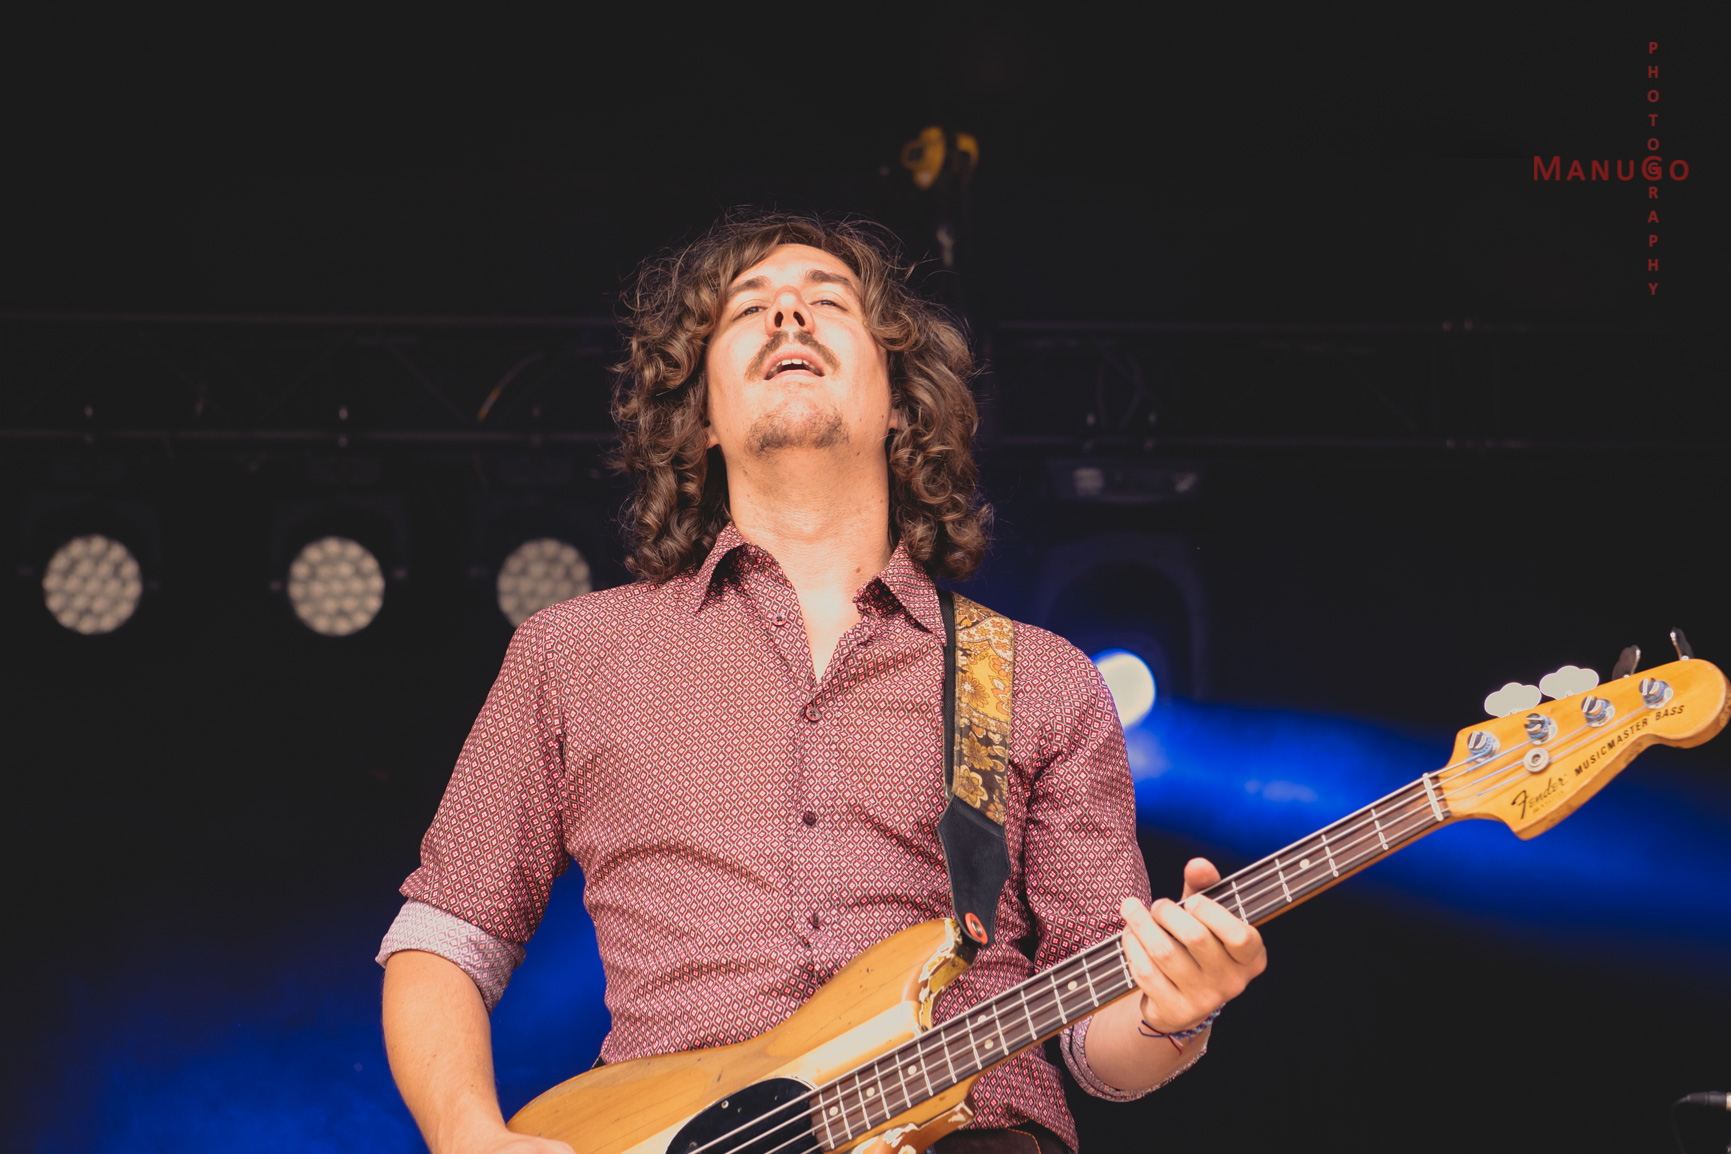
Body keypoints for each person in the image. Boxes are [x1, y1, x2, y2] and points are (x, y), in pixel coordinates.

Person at [377, 212, 1267, 1154]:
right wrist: (467, 1133)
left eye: (828, 303)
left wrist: (1176, 1008)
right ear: (701, 416)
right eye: (748, 310)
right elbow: (445, 935)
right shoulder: (573, 652)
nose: (789, 316)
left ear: (900, 404)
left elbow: (1101, 1047)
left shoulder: (1040, 679)